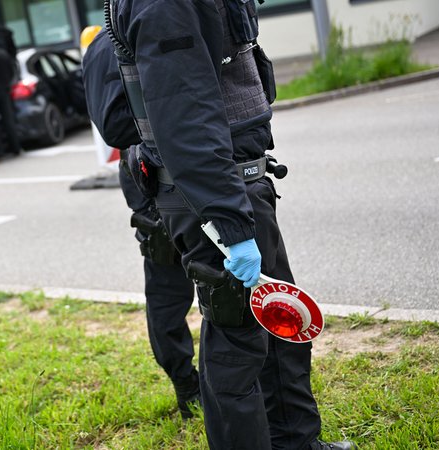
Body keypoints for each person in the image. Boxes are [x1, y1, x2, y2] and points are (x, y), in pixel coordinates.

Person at [104, 1, 356, 449]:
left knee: (280, 332)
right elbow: (185, 116)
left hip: (237, 188)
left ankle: (297, 443)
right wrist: (230, 224)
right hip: (214, 197)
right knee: (237, 350)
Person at [82, 32, 200, 419]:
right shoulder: (112, 40)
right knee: (170, 287)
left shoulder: (119, 33)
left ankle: (216, 383)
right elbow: (115, 125)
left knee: (213, 283)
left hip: (181, 168)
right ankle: (188, 385)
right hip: (152, 175)